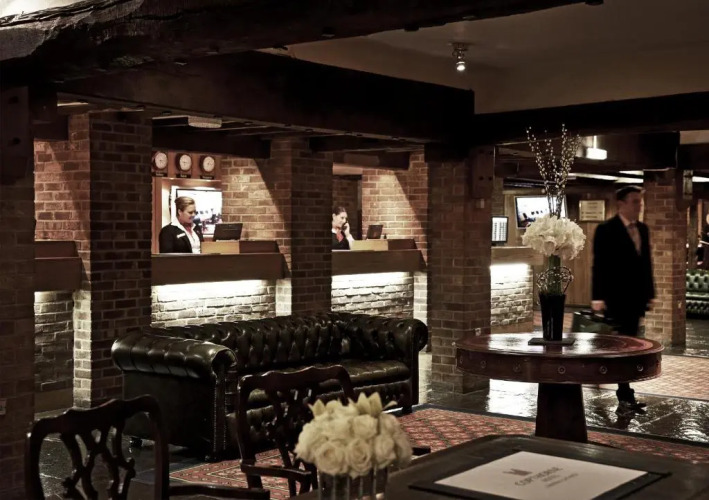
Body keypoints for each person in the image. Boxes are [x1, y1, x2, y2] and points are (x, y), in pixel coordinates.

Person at [592, 185, 655, 413]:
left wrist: (650, 293)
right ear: (621, 204)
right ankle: (625, 397)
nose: (639, 206)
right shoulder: (606, 229)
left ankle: (622, 392)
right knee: (622, 348)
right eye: (635, 201)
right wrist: (597, 296)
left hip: (636, 299)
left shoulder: (643, 229)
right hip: (615, 299)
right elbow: (599, 265)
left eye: (640, 202)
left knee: (627, 348)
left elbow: (646, 263)